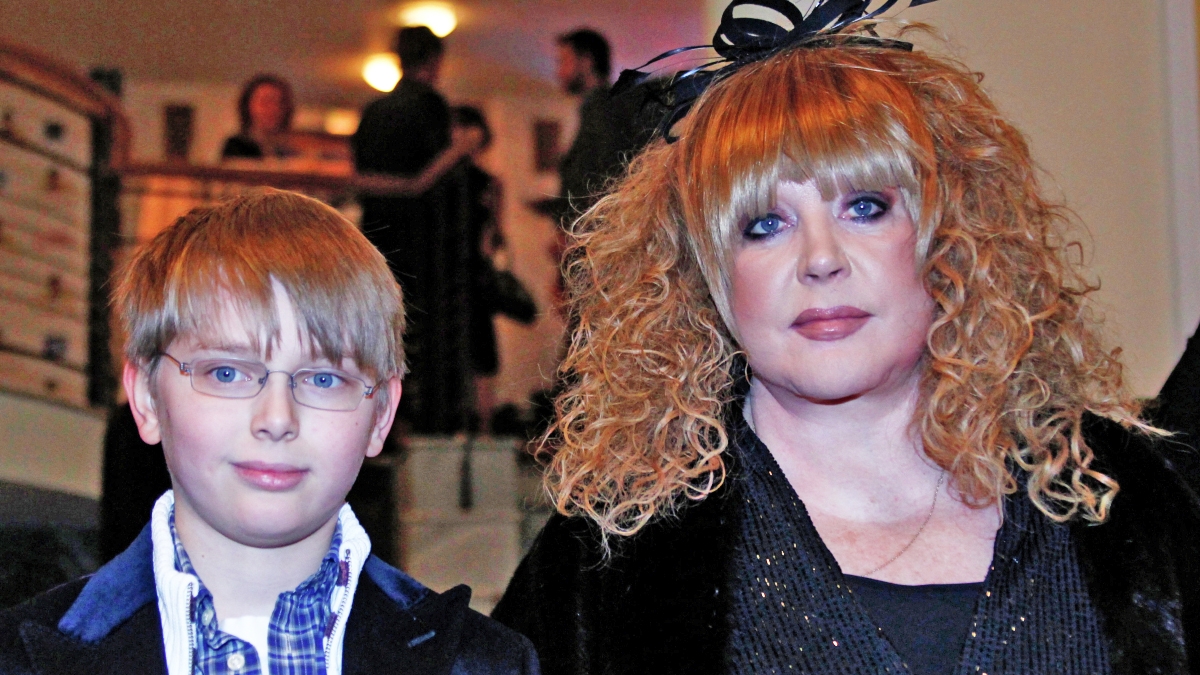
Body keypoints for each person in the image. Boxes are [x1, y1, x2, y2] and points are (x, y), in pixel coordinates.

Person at [491, 3, 1200, 675]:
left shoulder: (1123, 499)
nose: (821, 258)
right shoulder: (615, 557)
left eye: (865, 207)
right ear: (704, 272)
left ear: (949, 237)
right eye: (764, 225)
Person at [0, 190, 538, 674]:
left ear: (380, 415)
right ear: (145, 397)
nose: (277, 419)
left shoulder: (486, 663)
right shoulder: (17, 658)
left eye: (324, 379)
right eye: (226, 373)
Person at [221, 74, 296, 160]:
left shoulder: (288, 149)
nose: (274, 108)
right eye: (266, 102)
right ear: (248, 106)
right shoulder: (235, 146)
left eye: (280, 102)